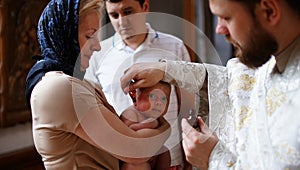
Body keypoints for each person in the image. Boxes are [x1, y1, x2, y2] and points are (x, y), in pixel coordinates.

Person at [120, 0, 300, 169]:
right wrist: (165, 70)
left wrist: (214, 159)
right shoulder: (272, 58)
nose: (219, 29)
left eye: (226, 18)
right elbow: (235, 81)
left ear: (269, 11)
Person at [25, 0, 170, 169]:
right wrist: (165, 128)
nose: (97, 46)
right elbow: (135, 150)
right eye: (89, 36)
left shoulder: (78, 83)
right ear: (65, 35)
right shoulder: (59, 88)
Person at [84, 0, 192, 169]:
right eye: (114, 15)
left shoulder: (175, 47)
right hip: (122, 162)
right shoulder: (97, 54)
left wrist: (188, 160)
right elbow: (93, 111)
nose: (122, 22)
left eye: (128, 12)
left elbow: (187, 107)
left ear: (145, 7)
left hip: (171, 158)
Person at [121, 81, 172, 169]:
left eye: (164, 98)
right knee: (137, 166)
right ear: (136, 96)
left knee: (164, 151)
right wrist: (149, 124)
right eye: (152, 96)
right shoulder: (131, 112)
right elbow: (129, 130)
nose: (159, 102)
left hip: (150, 153)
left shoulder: (155, 116)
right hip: (133, 159)